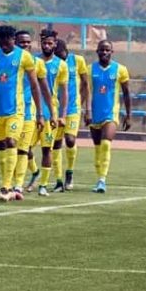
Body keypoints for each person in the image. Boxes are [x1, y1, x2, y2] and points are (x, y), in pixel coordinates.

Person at [0, 25, 44, 202]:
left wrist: (40, 112)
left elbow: (34, 85)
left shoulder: (24, 57)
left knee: (13, 143)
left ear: (12, 39)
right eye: (0, 41)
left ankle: (9, 186)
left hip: (17, 110)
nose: (4, 44)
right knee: (2, 148)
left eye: (7, 40)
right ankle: (10, 184)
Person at [86, 40, 131, 193]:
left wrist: (129, 115)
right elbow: (86, 92)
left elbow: (126, 93)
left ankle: (102, 180)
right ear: (97, 51)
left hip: (111, 114)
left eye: (107, 50)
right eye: (101, 50)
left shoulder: (121, 70)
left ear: (112, 52)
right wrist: (86, 111)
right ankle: (99, 177)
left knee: (106, 144)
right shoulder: (89, 69)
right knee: (98, 148)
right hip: (94, 114)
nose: (104, 53)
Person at [13, 30, 51, 200]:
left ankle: (17, 185)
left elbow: (44, 89)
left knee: (22, 149)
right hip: (9, 111)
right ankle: (34, 172)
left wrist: (48, 113)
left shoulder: (38, 63)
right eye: (22, 42)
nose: (26, 45)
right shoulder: (9, 61)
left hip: (29, 111)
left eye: (28, 42)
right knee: (11, 148)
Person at [36, 30, 69, 193]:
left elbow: (64, 92)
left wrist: (62, 115)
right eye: (44, 43)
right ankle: (33, 173)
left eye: (50, 43)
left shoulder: (61, 65)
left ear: (55, 44)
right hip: (30, 110)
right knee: (23, 148)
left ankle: (43, 185)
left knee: (46, 149)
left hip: (50, 113)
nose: (46, 46)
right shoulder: (33, 61)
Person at [55, 39, 90, 190]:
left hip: (72, 109)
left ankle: (69, 172)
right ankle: (58, 180)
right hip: (55, 109)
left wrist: (85, 107)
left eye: (62, 54)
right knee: (55, 144)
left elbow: (85, 84)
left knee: (69, 140)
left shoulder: (77, 60)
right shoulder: (51, 61)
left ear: (66, 50)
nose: (60, 57)